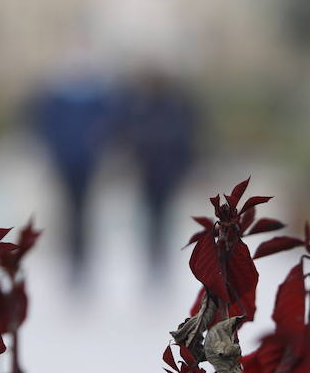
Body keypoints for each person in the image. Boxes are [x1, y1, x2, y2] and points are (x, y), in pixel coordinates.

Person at [29, 71, 117, 286]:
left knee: (82, 212)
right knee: (70, 212)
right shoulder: (58, 99)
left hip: (85, 163)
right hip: (66, 162)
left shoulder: (94, 98)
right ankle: (73, 259)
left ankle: (81, 259)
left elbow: (109, 126)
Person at [121, 71, 198, 279]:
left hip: (167, 169)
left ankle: (160, 258)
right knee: (151, 216)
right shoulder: (140, 107)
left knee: (163, 215)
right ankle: (153, 258)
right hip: (148, 169)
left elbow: (187, 138)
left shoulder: (176, 107)